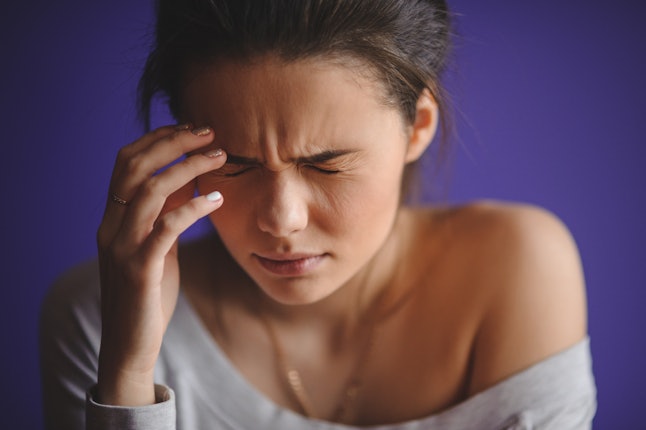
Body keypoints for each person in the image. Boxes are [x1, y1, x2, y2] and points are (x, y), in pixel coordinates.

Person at [39, 0, 597, 429]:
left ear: (418, 126)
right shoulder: (99, 318)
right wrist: (129, 376)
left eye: (326, 166)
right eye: (234, 165)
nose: (281, 221)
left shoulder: (514, 271)